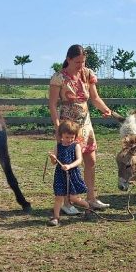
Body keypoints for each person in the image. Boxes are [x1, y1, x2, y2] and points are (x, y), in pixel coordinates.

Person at [48, 44, 113, 211]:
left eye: (83, 62)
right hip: (68, 126)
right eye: (77, 62)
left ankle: (91, 198)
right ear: (68, 59)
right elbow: (53, 104)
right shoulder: (59, 78)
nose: (81, 65)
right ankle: (67, 203)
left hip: (86, 124)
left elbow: (95, 98)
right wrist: (57, 125)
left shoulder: (88, 74)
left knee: (91, 160)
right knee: (69, 163)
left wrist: (105, 109)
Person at [48, 120, 92, 226]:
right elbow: (54, 163)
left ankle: (87, 206)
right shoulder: (58, 146)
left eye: (72, 137)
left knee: (73, 198)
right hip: (60, 175)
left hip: (72, 174)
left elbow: (79, 160)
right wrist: (52, 158)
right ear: (61, 135)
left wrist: (69, 166)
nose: (70, 140)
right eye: (67, 137)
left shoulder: (76, 146)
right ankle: (56, 218)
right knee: (59, 197)